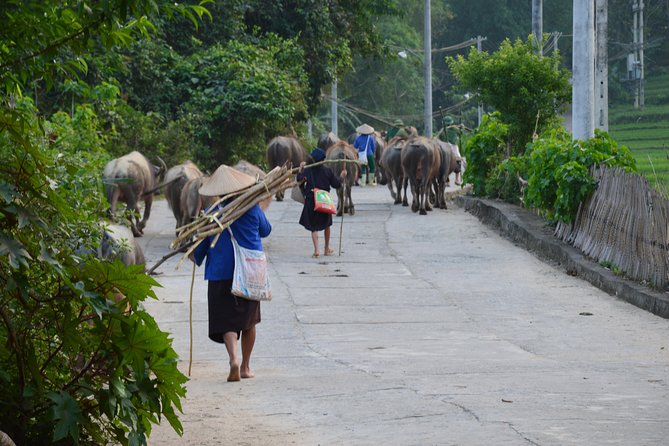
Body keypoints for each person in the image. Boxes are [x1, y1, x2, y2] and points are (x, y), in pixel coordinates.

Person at [192, 165, 272, 382]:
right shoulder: (253, 208)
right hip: (249, 271)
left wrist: (194, 254)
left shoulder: (211, 214)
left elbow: (199, 249)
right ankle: (246, 366)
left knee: (226, 320)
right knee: (249, 321)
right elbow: (266, 230)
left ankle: (233, 359)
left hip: (220, 271)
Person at [297, 148, 347, 258]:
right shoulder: (327, 171)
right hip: (324, 200)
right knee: (327, 225)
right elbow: (336, 184)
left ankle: (316, 250)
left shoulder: (307, 170)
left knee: (313, 227)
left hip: (311, 200)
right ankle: (326, 248)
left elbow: (299, 180)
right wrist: (342, 177)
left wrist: (300, 170)